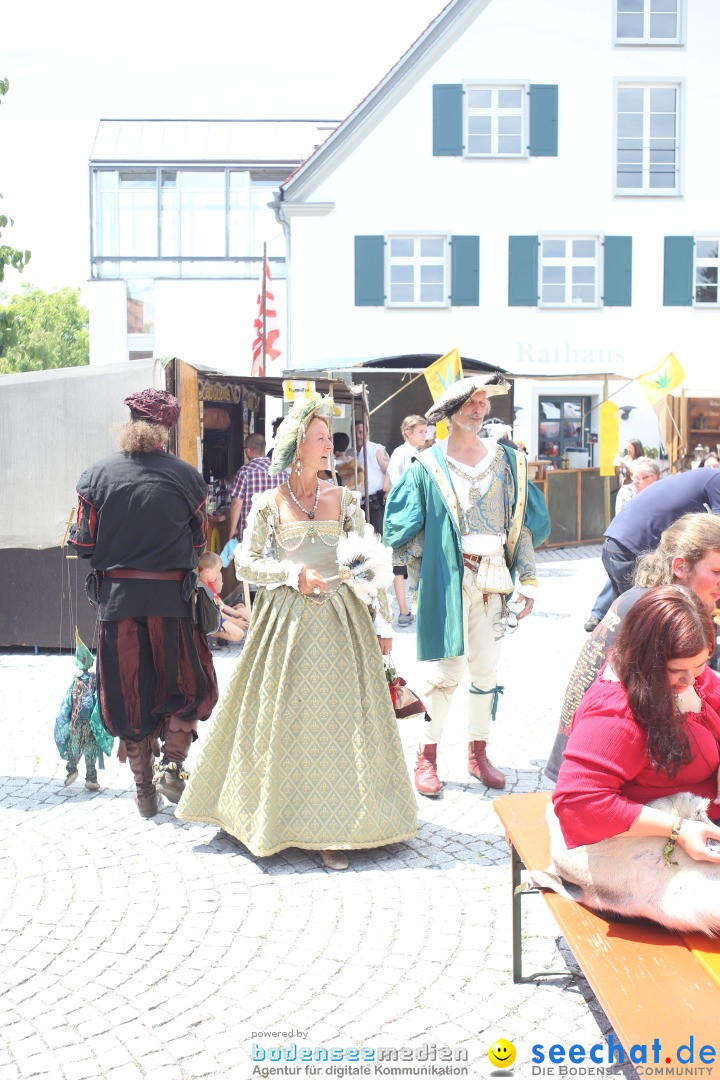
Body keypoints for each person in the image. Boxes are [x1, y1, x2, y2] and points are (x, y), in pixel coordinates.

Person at [176, 393, 417, 871]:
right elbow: (244, 560)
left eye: (330, 438)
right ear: (298, 444)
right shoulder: (270, 502)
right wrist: (292, 575)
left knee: (338, 722)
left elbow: (369, 560)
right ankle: (272, 817)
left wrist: (383, 621)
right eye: (321, 438)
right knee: (283, 719)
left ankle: (337, 829)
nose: (329, 445)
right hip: (285, 626)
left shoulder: (344, 500)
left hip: (341, 622)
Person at [384, 373, 550, 795]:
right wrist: (424, 582)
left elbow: (521, 525)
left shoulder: (507, 461)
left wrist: (527, 579)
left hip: (494, 579)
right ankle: (427, 755)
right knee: (445, 670)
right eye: (470, 403)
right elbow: (403, 532)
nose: (478, 409)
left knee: (486, 670)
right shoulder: (427, 465)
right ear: (450, 412)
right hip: (449, 580)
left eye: (482, 403)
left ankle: (478, 754)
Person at [67, 388, 219, 816]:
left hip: (118, 605)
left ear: (129, 424)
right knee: (185, 687)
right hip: (173, 604)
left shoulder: (94, 477)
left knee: (128, 693)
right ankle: (172, 765)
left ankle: (143, 791)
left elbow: (82, 543)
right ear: (165, 432)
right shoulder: (188, 478)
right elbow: (197, 542)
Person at [541, 586, 720, 930]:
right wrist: (678, 831)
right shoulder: (614, 713)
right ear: (648, 660)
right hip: (624, 852)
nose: (693, 681)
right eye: (678, 672)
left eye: (700, 667)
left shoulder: (688, 678)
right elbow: (578, 804)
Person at [545, 512, 720, 782]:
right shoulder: (654, 614)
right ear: (680, 567)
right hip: (593, 765)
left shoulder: (648, 600)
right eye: (717, 571)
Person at [602, 466, 720, 599]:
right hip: (634, 548)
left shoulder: (705, 476)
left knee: (625, 605)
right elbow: (716, 531)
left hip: (615, 541)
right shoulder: (716, 479)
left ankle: (597, 617)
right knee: (648, 610)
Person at [583, 457, 661, 632]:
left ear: (654, 478)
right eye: (634, 477)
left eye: (639, 478)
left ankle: (602, 617)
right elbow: (622, 518)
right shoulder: (627, 492)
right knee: (625, 587)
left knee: (621, 587)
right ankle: (611, 624)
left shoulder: (660, 494)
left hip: (646, 549)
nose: (635, 482)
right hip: (626, 545)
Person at [387, 415, 428, 627]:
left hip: (394, 513)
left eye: (425, 431)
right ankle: (419, 609)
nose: (425, 435)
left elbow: (388, 484)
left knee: (398, 564)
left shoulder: (396, 452)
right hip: (410, 513)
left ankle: (404, 612)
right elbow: (417, 487)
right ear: (408, 433)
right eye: (420, 431)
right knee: (415, 560)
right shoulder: (413, 454)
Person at [228, 433, 288, 543]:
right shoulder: (281, 472)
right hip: (276, 534)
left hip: (250, 535)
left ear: (248, 451)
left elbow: (237, 502)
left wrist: (232, 530)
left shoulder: (245, 471)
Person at [197, 551, 250, 644]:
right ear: (207, 571)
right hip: (212, 619)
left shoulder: (209, 584)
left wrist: (240, 615)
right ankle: (211, 634)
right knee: (239, 634)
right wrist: (236, 622)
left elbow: (221, 605)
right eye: (217, 571)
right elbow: (216, 613)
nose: (218, 575)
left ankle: (224, 631)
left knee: (242, 611)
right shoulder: (201, 588)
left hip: (218, 615)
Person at [352, 419, 389, 533]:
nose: (358, 436)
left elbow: (390, 471)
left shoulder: (376, 449)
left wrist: (387, 491)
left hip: (375, 504)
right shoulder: (353, 452)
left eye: (361, 432)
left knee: (376, 537)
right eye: (355, 432)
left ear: (368, 433)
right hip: (361, 504)